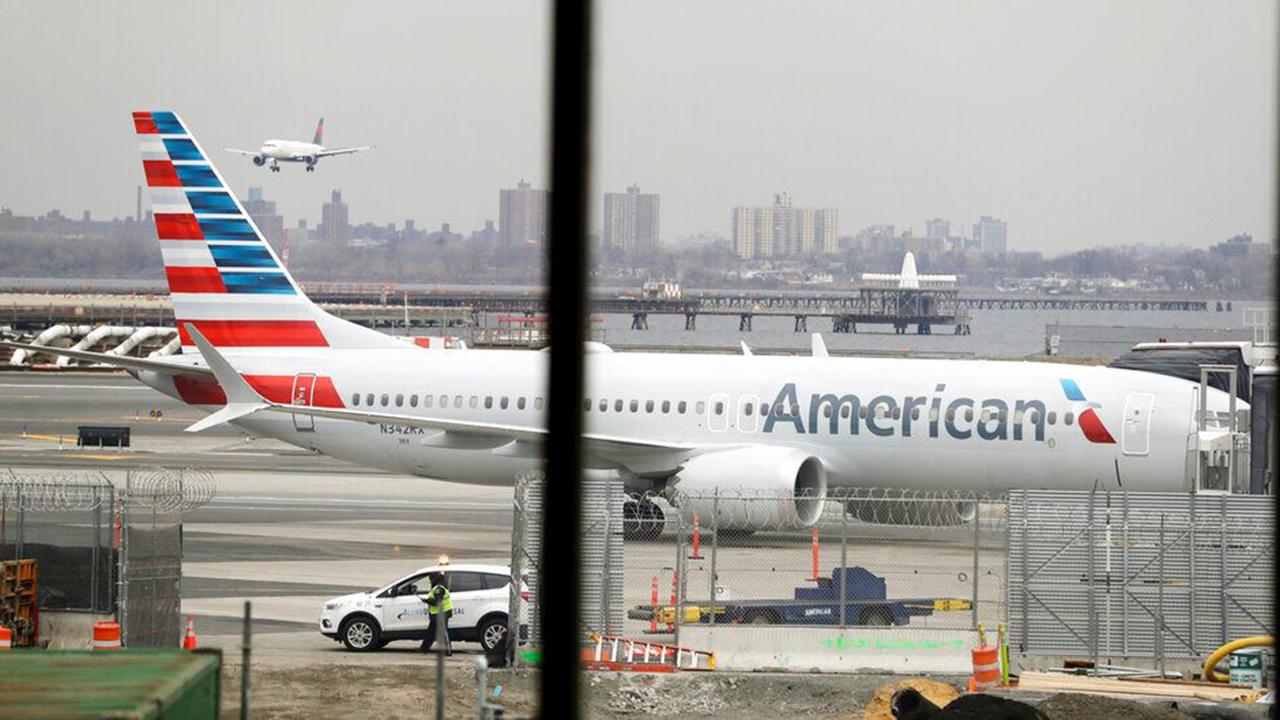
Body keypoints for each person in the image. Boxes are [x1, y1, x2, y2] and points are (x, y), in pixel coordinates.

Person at [418, 573, 453, 655]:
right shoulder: (437, 588)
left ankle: (448, 650)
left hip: (442, 613)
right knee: (430, 632)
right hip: (436, 614)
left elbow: (437, 602)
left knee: (443, 632)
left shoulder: (438, 589)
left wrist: (427, 601)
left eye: (430, 579)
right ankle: (423, 649)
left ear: (435, 579)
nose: (430, 581)